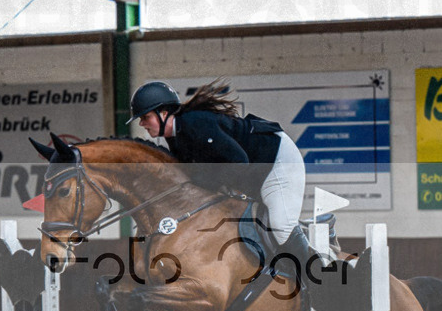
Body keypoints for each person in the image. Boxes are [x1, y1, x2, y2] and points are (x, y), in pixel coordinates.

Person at [126, 79, 311, 263]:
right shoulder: (175, 136)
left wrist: (204, 181)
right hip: (254, 169)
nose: (142, 123)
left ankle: (314, 274)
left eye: (145, 117)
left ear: (163, 113)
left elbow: (238, 161)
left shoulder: (195, 123)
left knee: (281, 226)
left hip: (277, 159)